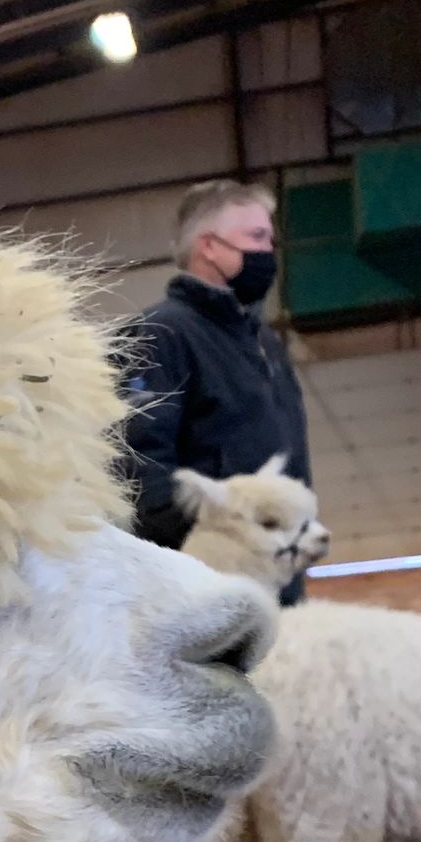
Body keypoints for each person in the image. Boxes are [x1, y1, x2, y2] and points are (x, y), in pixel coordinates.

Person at [120, 178, 314, 602]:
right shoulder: (161, 334)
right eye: (257, 237)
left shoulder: (263, 342)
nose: (268, 252)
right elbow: (139, 464)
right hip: (205, 588)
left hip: (273, 579)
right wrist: (207, 546)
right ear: (209, 246)